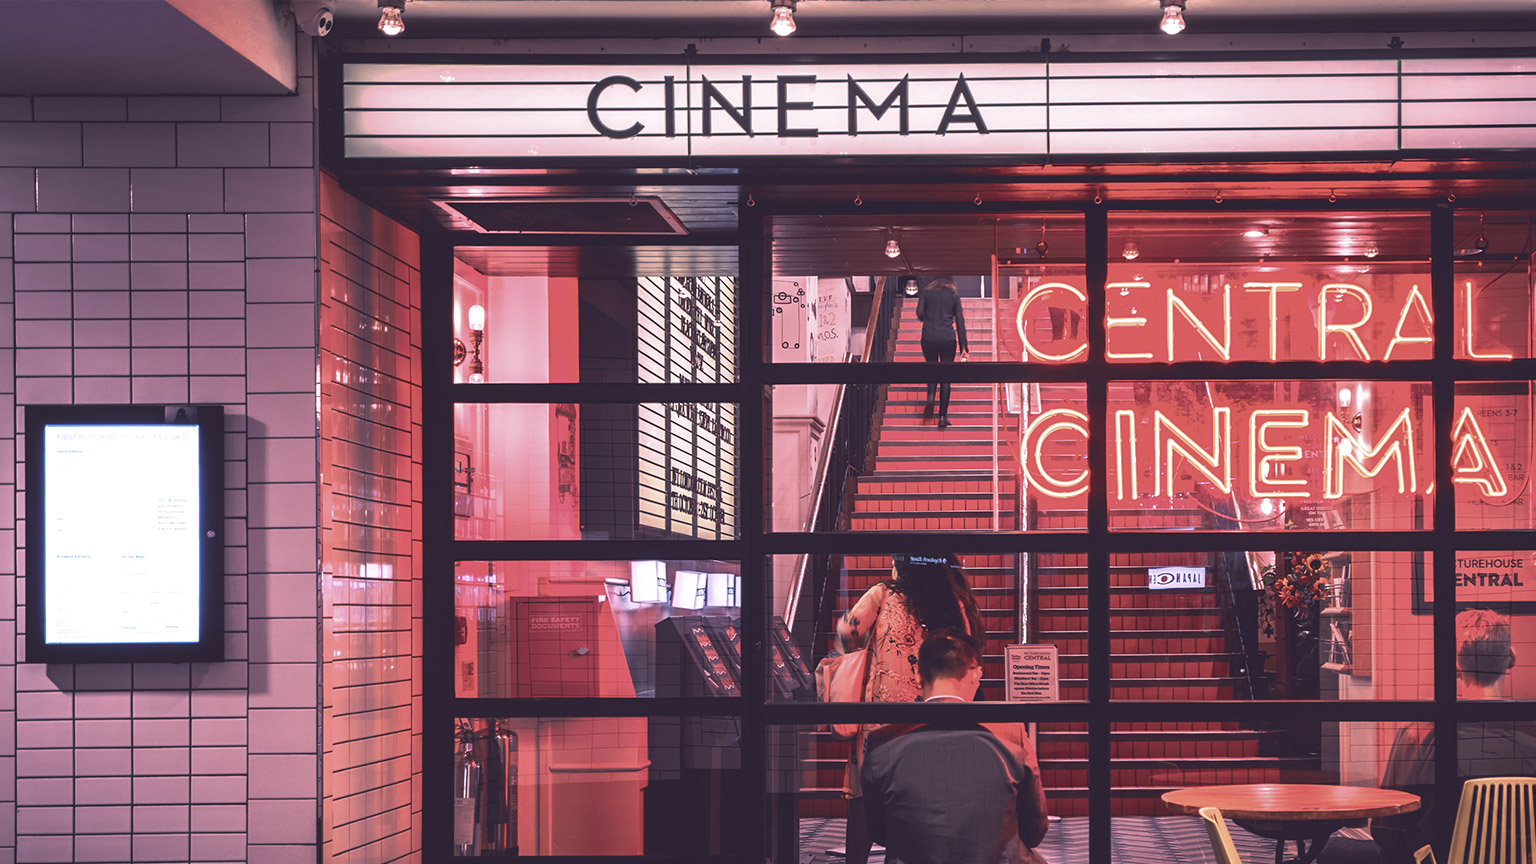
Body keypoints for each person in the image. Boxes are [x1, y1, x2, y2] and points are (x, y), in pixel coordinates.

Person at [835, 553, 986, 864]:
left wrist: (874, 651)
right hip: (930, 711)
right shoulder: (952, 604)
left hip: (879, 714)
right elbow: (968, 650)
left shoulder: (883, 594)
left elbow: (848, 631)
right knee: (914, 793)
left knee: (865, 794)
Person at [860, 631, 1051, 864]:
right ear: (975, 675)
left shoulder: (882, 741)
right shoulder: (1010, 734)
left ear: (918, 678)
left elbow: (879, 830)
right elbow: (1035, 828)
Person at [1371, 608, 1536, 863]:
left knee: (1336, 848)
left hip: (1433, 859)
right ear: (1510, 658)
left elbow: (1385, 829)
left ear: (1454, 664)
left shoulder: (1419, 735)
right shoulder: (1529, 741)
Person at [915, 276, 969, 428]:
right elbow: (960, 322)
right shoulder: (953, 296)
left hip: (929, 337)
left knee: (932, 368)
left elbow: (919, 313)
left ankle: (931, 396)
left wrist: (930, 319)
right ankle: (943, 417)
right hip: (947, 338)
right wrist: (964, 347)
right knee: (945, 377)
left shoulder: (926, 292)